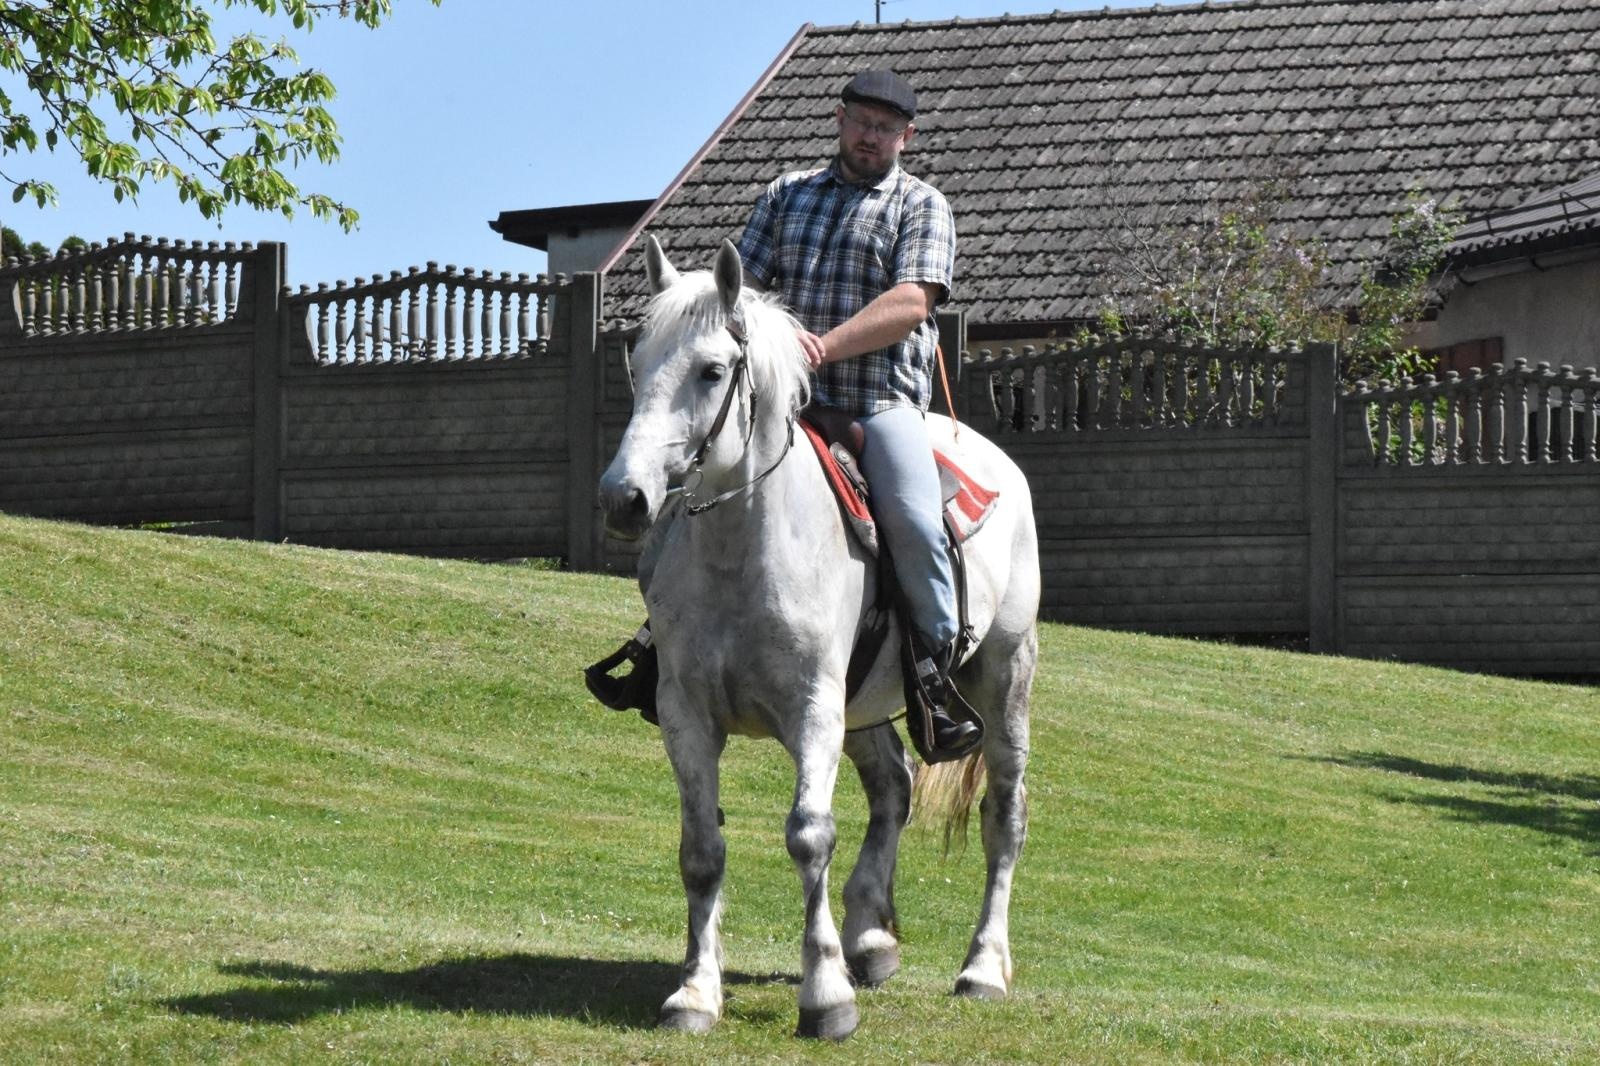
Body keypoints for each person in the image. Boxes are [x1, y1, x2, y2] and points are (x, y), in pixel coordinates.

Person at [588, 68, 980, 761]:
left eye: (886, 129)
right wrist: (688, 302)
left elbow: (913, 301)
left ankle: (932, 674)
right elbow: (742, 293)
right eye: (861, 121)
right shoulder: (786, 196)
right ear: (840, 118)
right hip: (784, 405)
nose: (871, 136)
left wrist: (821, 348)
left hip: (878, 403)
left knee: (916, 521)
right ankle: (658, 649)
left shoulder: (922, 206)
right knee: (685, 499)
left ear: (906, 137)